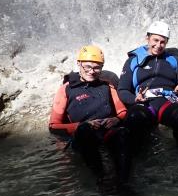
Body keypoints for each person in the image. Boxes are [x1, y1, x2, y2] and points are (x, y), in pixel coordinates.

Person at [49, 45, 132, 183]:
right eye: (87, 67)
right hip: (82, 135)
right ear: (79, 64)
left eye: (97, 68)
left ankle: (123, 182)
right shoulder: (66, 89)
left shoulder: (107, 86)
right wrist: (81, 125)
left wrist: (116, 119)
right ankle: (101, 179)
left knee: (123, 133)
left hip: (105, 132)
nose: (92, 71)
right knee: (85, 130)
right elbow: (53, 125)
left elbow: (122, 112)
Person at [117, 21, 178, 151]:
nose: (158, 45)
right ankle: (140, 157)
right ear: (147, 38)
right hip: (144, 102)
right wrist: (134, 99)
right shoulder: (133, 60)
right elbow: (123, 90)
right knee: (135, 117)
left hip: (167, 100)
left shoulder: (173, 60)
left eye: (163, 42)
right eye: (155, 40)